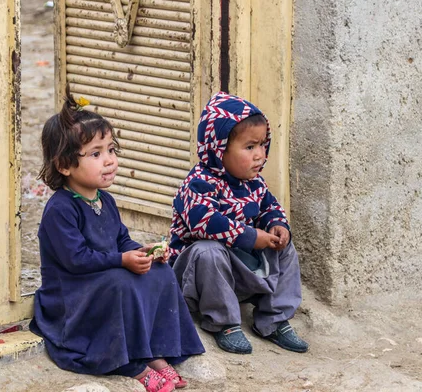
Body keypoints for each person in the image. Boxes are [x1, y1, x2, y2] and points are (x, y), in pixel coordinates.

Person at [29, 87, 205, 392]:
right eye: (96, 154)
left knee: (161, 273)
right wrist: (121, 260)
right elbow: (77, 259)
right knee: (121, 283)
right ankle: (131, 365)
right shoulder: (60, 209)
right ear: (64, 165)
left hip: (101, 280)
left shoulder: (104, 200)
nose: (109, 160)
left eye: (111, 150)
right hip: (72, 297)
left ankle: (154, 351)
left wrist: (143, 251)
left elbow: (121, 239)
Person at [169, 91, 309, 355]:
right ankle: (223, 321)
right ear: (218, 149)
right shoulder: (198, 183)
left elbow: (269, 206)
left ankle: (273, 319)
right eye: (249, 147)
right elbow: (204, 223)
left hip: (236, 270)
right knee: (207, 250)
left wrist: (277, 225)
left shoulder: (253, 182)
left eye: (261, 145)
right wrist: (249, 236)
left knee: (284, 247)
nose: (260, 155)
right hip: (196, 279)